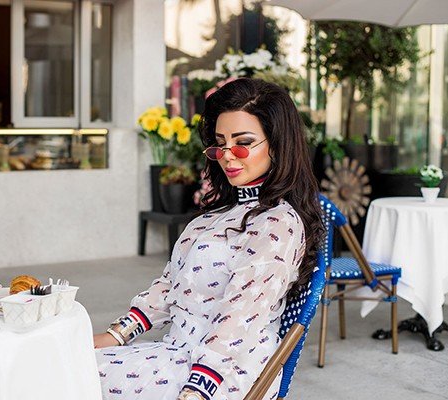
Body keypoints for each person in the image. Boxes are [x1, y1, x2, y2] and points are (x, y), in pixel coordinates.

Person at [93, 78, 324, 400]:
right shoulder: (216, 215)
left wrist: (199, 387)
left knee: (65, 375)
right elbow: (169, 284)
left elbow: (242, 314)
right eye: (219, 145)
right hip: (177, 353)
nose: (228, 157)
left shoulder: (278, 223)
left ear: (277, 144)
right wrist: (118, 334)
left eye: (242, 143)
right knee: (63, 362)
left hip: (225, 374)